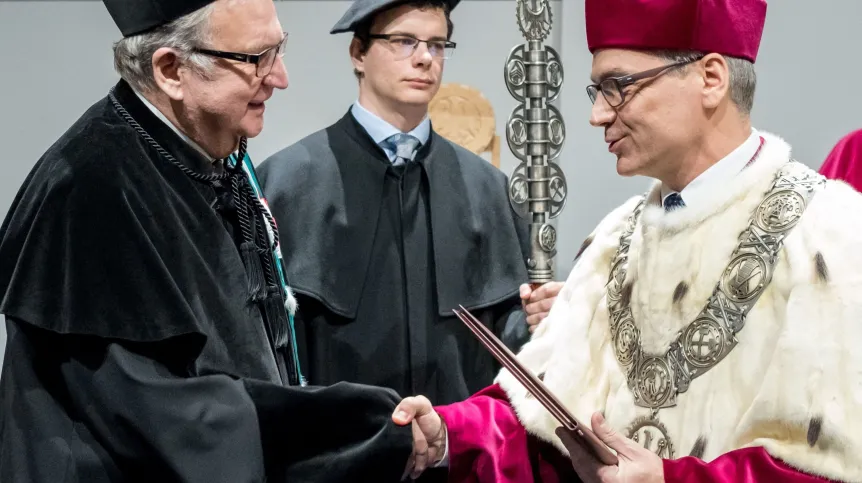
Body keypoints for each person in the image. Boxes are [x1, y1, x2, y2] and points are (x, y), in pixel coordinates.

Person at [394, 0, 862, 481]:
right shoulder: (616, 236)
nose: (598, 114)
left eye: (618, 86)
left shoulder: (829, 232)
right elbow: (537, 416)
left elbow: (831, 463)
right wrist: (450, 434)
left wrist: (669, 479)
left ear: (711, 79)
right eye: (597, 90)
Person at [0, 1, 417, 481]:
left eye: (278, 49)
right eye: (256, 58)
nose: (280, 77)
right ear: (171, 69)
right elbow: (167, 420)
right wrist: (361, 426)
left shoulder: (211, 155)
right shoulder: (91, 190)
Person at [256, 0, 562, 409]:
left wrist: (541, 320)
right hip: (337, 454)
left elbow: (507, 345)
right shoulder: (287, 182)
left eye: (437, 45)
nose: (424, 59)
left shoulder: (489, 190)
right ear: (358, 53)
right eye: (404, 41)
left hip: (459, 453)